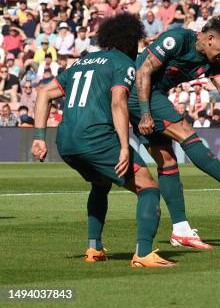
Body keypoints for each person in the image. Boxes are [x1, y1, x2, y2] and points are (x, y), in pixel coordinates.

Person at [30, 13, 174, 267]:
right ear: (132, 41)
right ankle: (143, 253)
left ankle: (94, 248)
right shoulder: (123, 63)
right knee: (148, 188)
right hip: (97, 137)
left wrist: (39, 138)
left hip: (65, 141)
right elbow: (118, 101)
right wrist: (123, 147)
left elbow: (43, 93)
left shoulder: (80, 63)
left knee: (100, 183)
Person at [129, 16, 220, 249]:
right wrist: (145, 113)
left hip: (151, 97)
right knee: (185, 131)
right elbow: (143, 71)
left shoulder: (211, 62)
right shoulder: (177, 39)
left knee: (167, 161)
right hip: (140, 93)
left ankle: (181, 230)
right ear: (210, 38)